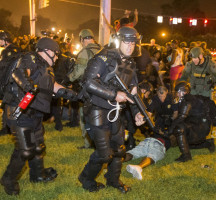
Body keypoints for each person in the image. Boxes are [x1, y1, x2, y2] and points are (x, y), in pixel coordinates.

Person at [0, 38, 77, 195]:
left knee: (38, 146)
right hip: (19, 110)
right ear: (47, 51)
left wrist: (76, 95)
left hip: (34, 112)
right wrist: (29, 87)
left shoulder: (46, 67)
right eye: (55, 54)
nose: (56, 58)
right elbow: (18, 73)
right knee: (25, 150)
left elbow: (54, 87)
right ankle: (8, 178)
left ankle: (37, 175)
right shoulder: (30, 58)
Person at [78, 27, 145, 193]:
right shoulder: (102, 58)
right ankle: (86, 178)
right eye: (127, 42)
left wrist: (138, 112)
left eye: (133, 43)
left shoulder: (130, 64)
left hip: (115, 112)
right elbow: (89, 82)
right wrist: (114, 94)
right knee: (104, 154)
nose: (130, 46)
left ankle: (113, 180)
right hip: (96, 111)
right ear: (118, 40)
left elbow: (133, 93)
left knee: (119, 150)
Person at [68, 29, 101, 149]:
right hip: (101, 90)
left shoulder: (84, 52)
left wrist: (69, 78)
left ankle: (88, 143)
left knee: (85, 116)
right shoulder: (101, 49)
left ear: (82, 40)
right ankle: (100, 142)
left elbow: (79, 72)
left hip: (88, 90)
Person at [167, 81, 215, 162]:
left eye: (178, 92)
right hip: (200, 125)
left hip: (200, 127)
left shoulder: (187, 99)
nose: (177, 94)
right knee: (185, 144)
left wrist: (170, 130)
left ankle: (186, 156)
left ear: (184, 92)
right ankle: (207, 143)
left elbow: (181, 117)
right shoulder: (190, 98)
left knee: (179, 128)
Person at [0, 30, 21, 136]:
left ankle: (7, 128)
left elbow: (3, 68)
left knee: (7, 104)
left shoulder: (6, 52)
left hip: (8, 82)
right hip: (18, 81)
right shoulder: (18, 49)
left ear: (5, 40)